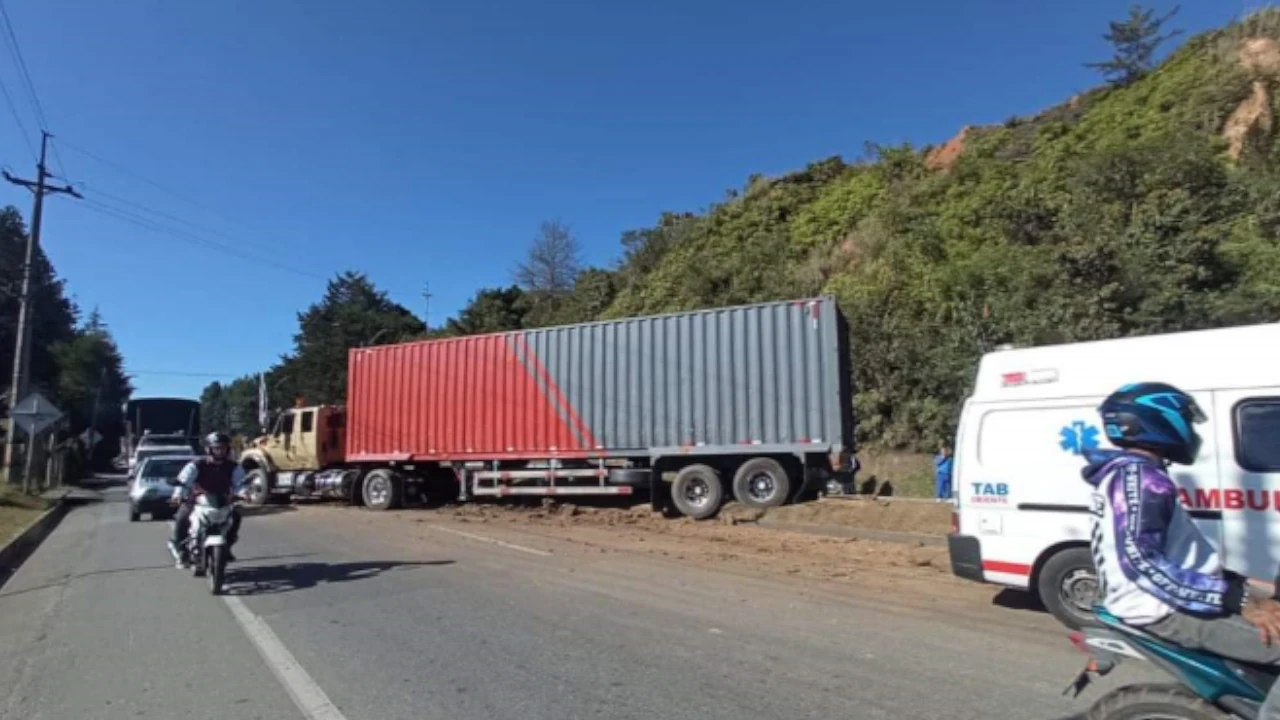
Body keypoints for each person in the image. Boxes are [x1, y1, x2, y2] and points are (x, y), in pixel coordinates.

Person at [1085, 382, 1280, 716]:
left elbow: (1179, 554)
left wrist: (1246, 588)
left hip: (1172, 599)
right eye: (1187, 421)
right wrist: (1241, 600)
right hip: (1165, 609)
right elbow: (1141, 562)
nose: (1191, 432)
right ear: (1153, 422)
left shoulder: (1139, 474)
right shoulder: (1139, 479)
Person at [168, 431, 245, 568]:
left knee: (236, 516)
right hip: (197, 500)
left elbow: (240, 484)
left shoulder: (234, 467)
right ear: (209, 449)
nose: (220, 451)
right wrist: (178, 495)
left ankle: (227, 546)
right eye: (217, 448)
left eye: (223, 448)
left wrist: (244, 494)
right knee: (182, 517)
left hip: (222, 501)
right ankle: (181, 551)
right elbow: (184, 481)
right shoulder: (196, 465)